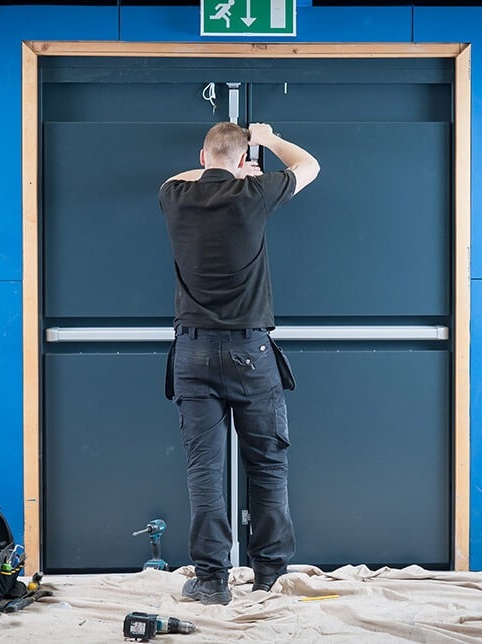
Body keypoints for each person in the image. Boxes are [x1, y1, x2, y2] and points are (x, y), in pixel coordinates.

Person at [159, 122, 320, 605]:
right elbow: (309, 166)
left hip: (192, 352)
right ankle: (268, 575)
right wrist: (265, 142)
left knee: (203, 469)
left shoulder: (174, 196)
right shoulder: (255, 193)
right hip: (252, 352)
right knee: (267, 465)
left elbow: (186, 173)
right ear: (242, 156)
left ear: (203, 155)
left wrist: (225, 165)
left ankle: (211, 580)